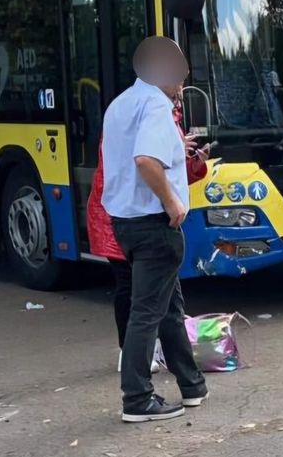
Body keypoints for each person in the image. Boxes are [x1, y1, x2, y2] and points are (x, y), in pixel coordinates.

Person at [102, 36, 208, 423]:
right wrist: (172, 201)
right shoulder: (156, 106)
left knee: (168, 307)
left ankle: (192, 386)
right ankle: (137, 398)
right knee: (147, 312)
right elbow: (146, 160)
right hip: (155, 224)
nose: (182, 85)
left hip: (126, 224)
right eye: (179, 77)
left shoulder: (119, 105)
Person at [88, 91, 210, 372]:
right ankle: (134, 367)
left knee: (159, 296)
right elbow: (142, 167)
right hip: (127, 216)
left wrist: (187, 160)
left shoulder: (160, 113)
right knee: (136, 292)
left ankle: (173, 373)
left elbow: (166, 173)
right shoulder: (145, 113)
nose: (181, 92)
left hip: (136, 218)